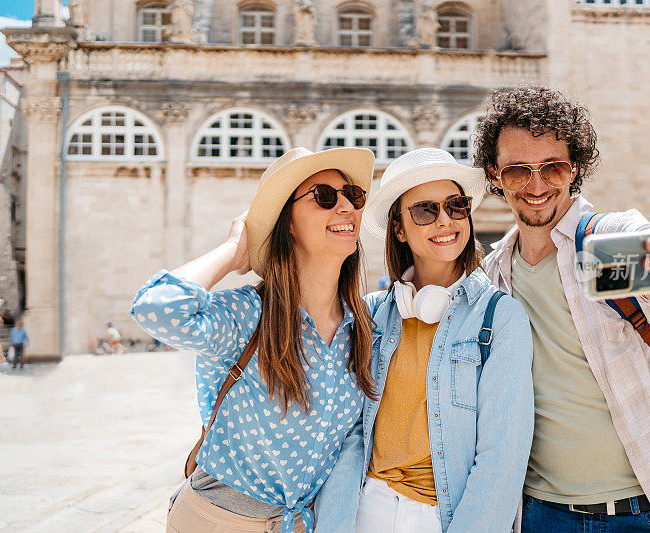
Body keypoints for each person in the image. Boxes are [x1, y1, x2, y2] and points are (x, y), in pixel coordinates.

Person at [475, 86, 650, 533]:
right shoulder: (494, 274)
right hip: (538, 512)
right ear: (495, 175)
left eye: (552, 167)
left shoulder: (605, 245)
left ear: (574, 168)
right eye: (519, 171)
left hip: (649, 509)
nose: (537, 186)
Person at [130, 147, 377, 533]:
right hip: (219, 520)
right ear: (288, 223)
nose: (346, 206)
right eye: (325, 197)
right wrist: (233, 252)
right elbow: (158, 308)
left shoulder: (362, 326)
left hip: (298, 524)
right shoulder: (249, 315)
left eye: (354, 195)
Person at [315, 148, 534, 532]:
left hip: (443, 518)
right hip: (364, 509)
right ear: (399, 228)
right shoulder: (370, 314)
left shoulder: (501, 319)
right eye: (425, 210)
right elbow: (345, 436)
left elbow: (502, 459)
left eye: (456, 205)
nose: (445, 221)